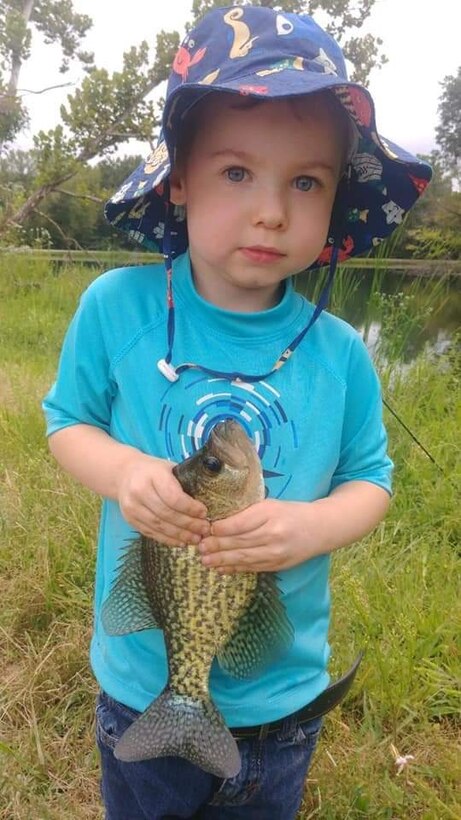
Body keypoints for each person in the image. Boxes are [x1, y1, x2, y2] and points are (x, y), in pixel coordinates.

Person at [42, 6, 431, 819]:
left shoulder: (341, 353)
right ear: (176, 177)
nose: (271, 212)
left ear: (336, 198)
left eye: (305, 182)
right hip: (145, 685)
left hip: (279, 704)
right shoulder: (116, 306)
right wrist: (127, 471)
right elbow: (66, 422)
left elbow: (372, 479)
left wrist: (309, 528)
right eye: (234, 173)